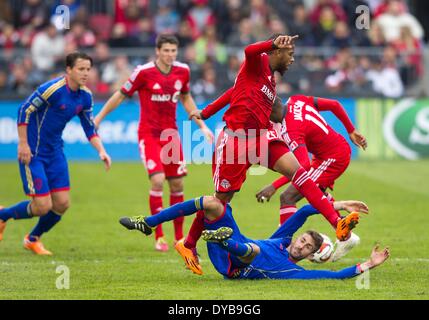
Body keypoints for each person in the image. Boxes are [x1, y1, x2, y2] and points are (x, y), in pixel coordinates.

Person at [183, 35, 360, 275]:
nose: (292, 59)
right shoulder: (257, 64)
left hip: (261, 138)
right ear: (277, 51)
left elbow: (234, 92)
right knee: (220, 202)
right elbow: (248, 51)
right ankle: (188, 244)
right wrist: (207, 112)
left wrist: (206, 111)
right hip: (236, 141)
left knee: (299, 173)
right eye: (290, 54)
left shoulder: (270, 81)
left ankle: (336, 223)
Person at [94, 34, 213, 252]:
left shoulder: (183, 71)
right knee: (158, 180)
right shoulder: (143, 72)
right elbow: (120, 95)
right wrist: (99, 118)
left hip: (171, 135)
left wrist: (202, 125)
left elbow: (186, 98)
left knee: (177, 185)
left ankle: (179, 237)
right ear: (158, 51)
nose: (170, 55)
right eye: (166, 50)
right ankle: (159, 235)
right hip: (148, 134)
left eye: (173, 51)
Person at [0, 52, 111, 255]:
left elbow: (89, 128)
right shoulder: (52, 89)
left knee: (62, 204)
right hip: (33, 153)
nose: (86, 73)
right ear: (69, 70)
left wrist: (102, 151)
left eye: (88, 69)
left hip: (55, 153)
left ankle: (32, 239)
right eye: (81, 69)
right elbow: (24, 110)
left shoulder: (85, 96)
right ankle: (3, 214)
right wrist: (23, 144)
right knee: (42, 206)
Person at [118, 196, 389, 279]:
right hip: (230, 242)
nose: (301, 244)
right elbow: (306, 210)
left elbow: (334, 276)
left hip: (233, 266)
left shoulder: (292, 271)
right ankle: (149, 223)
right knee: (213, 204)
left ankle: (218, 239)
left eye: (306, 247)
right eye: (302, 240)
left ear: (309, 256)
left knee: (253, 252)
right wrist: (341, 205)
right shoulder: (282, 240)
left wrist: (369, 264)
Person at [256, 95, 367, 261]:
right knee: (315, 192)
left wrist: (274, 185)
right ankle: (346, 235)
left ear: (270, 112)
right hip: (329, 152)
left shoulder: (290, 130)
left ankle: (283, 247)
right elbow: (335, 104)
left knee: (288, 197)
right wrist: (351, 130)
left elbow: (302, 166)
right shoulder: (296, 100)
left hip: (332, 158)